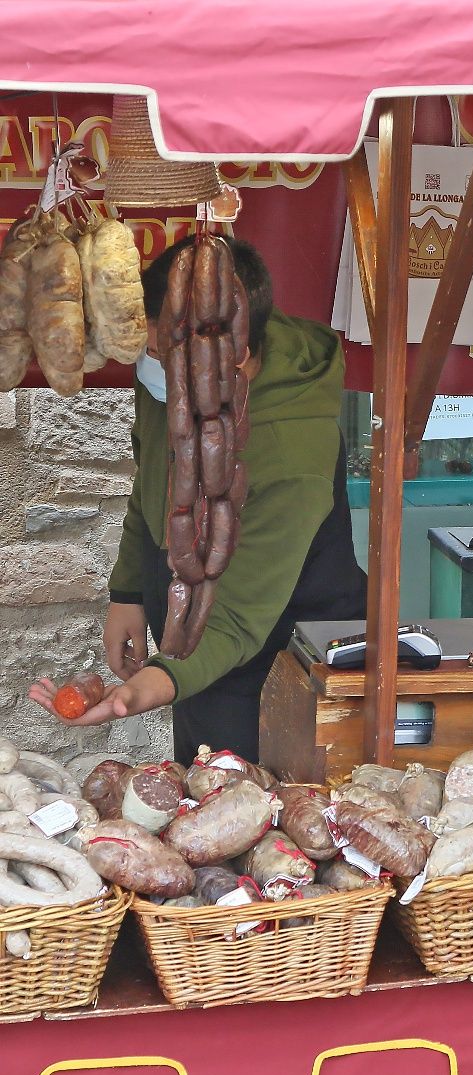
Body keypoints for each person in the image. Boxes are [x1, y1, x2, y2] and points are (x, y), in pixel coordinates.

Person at [30, 235, 367, 763]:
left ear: (238, 359)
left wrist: (144, 688)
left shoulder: (293, 452)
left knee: (258, 803)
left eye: (164, 358)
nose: (151, 365)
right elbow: (156, 480)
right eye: (150, 349)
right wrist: (129, 593)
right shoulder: (180, 353)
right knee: (197, 775)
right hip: (197, 646)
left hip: (286, 648)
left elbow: (235, 624)